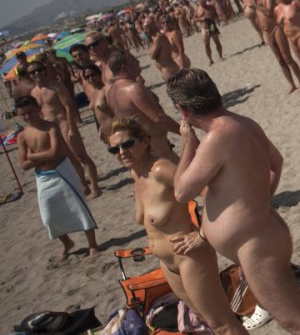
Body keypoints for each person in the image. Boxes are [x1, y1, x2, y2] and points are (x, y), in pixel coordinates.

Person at [168, 69, 300, 335]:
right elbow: (275, 163)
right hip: (264, 233)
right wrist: (258, 203)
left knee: (299, 323)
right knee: (299, 313)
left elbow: (181, 191)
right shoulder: (243, 123)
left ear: (183, 109)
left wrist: (188, 142)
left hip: (257, 245)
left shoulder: (216, 137)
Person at [109, 115, 258, 335]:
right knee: (206, 318)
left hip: (189, 256)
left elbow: (211, 192)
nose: (121, 152)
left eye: (127, 144)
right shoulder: (137, 176)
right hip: (168, 262)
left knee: (221, 319)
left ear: (145, 141)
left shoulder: (160, 169)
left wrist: (200, 234)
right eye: (115, 148)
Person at [15, 95, 98, 259]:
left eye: (30, 112)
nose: (27, 117)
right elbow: (23, 165)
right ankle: (67, 242)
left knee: (79, 208)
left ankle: (93, 244)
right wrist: (40, 157)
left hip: (62, 171)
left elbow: (56, 152)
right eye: (23, 114)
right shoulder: (22, 136)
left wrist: (33, 156)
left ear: (38, 110)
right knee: (48, 215)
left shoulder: (51, 127)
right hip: (43, 177)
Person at [28, 61, 101, 196]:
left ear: (44, 70)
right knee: (70, 160)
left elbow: (68, 106)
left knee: (81, 156)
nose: (36, 73)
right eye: (32, 72)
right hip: (51, 130)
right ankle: (85, 186)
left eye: (38, 70)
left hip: (63, 124)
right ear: (30, 76)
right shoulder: (33, 93)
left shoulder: (56, 86)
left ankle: (96, 187)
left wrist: (72, 126)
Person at [105, 50, 181, 161]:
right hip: (155, 145)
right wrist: (182, 132)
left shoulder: (111, 92)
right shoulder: (133, 88)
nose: (138, 61)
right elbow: (159, 118)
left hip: (138, 147)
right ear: (124, 67)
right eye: (133, 60)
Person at [246, 0, 300, 94]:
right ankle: (291, 84)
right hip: (266, 31)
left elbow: (269, 11)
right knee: (279, 60)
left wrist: (255, 5)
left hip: (276, 28)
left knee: (287, 58)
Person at [146, 16, 181, 80]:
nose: (145, 31)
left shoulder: (158, 38)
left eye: (146, 27)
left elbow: (152, 56)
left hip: (168, 69)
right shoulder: (157, 37)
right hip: (168, 68)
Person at [194, 0, 225, 65]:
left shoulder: (210, 7)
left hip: (211, 25)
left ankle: (221, 56)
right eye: (201, 3)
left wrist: (212, 17)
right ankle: (210, 60)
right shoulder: (198, 9)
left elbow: (216, 15)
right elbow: (194, 19)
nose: (203, 4)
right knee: (206, 44)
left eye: (204, 2)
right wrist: (201, 19)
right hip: (204, 27)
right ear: (199, 2)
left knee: (217, 41)